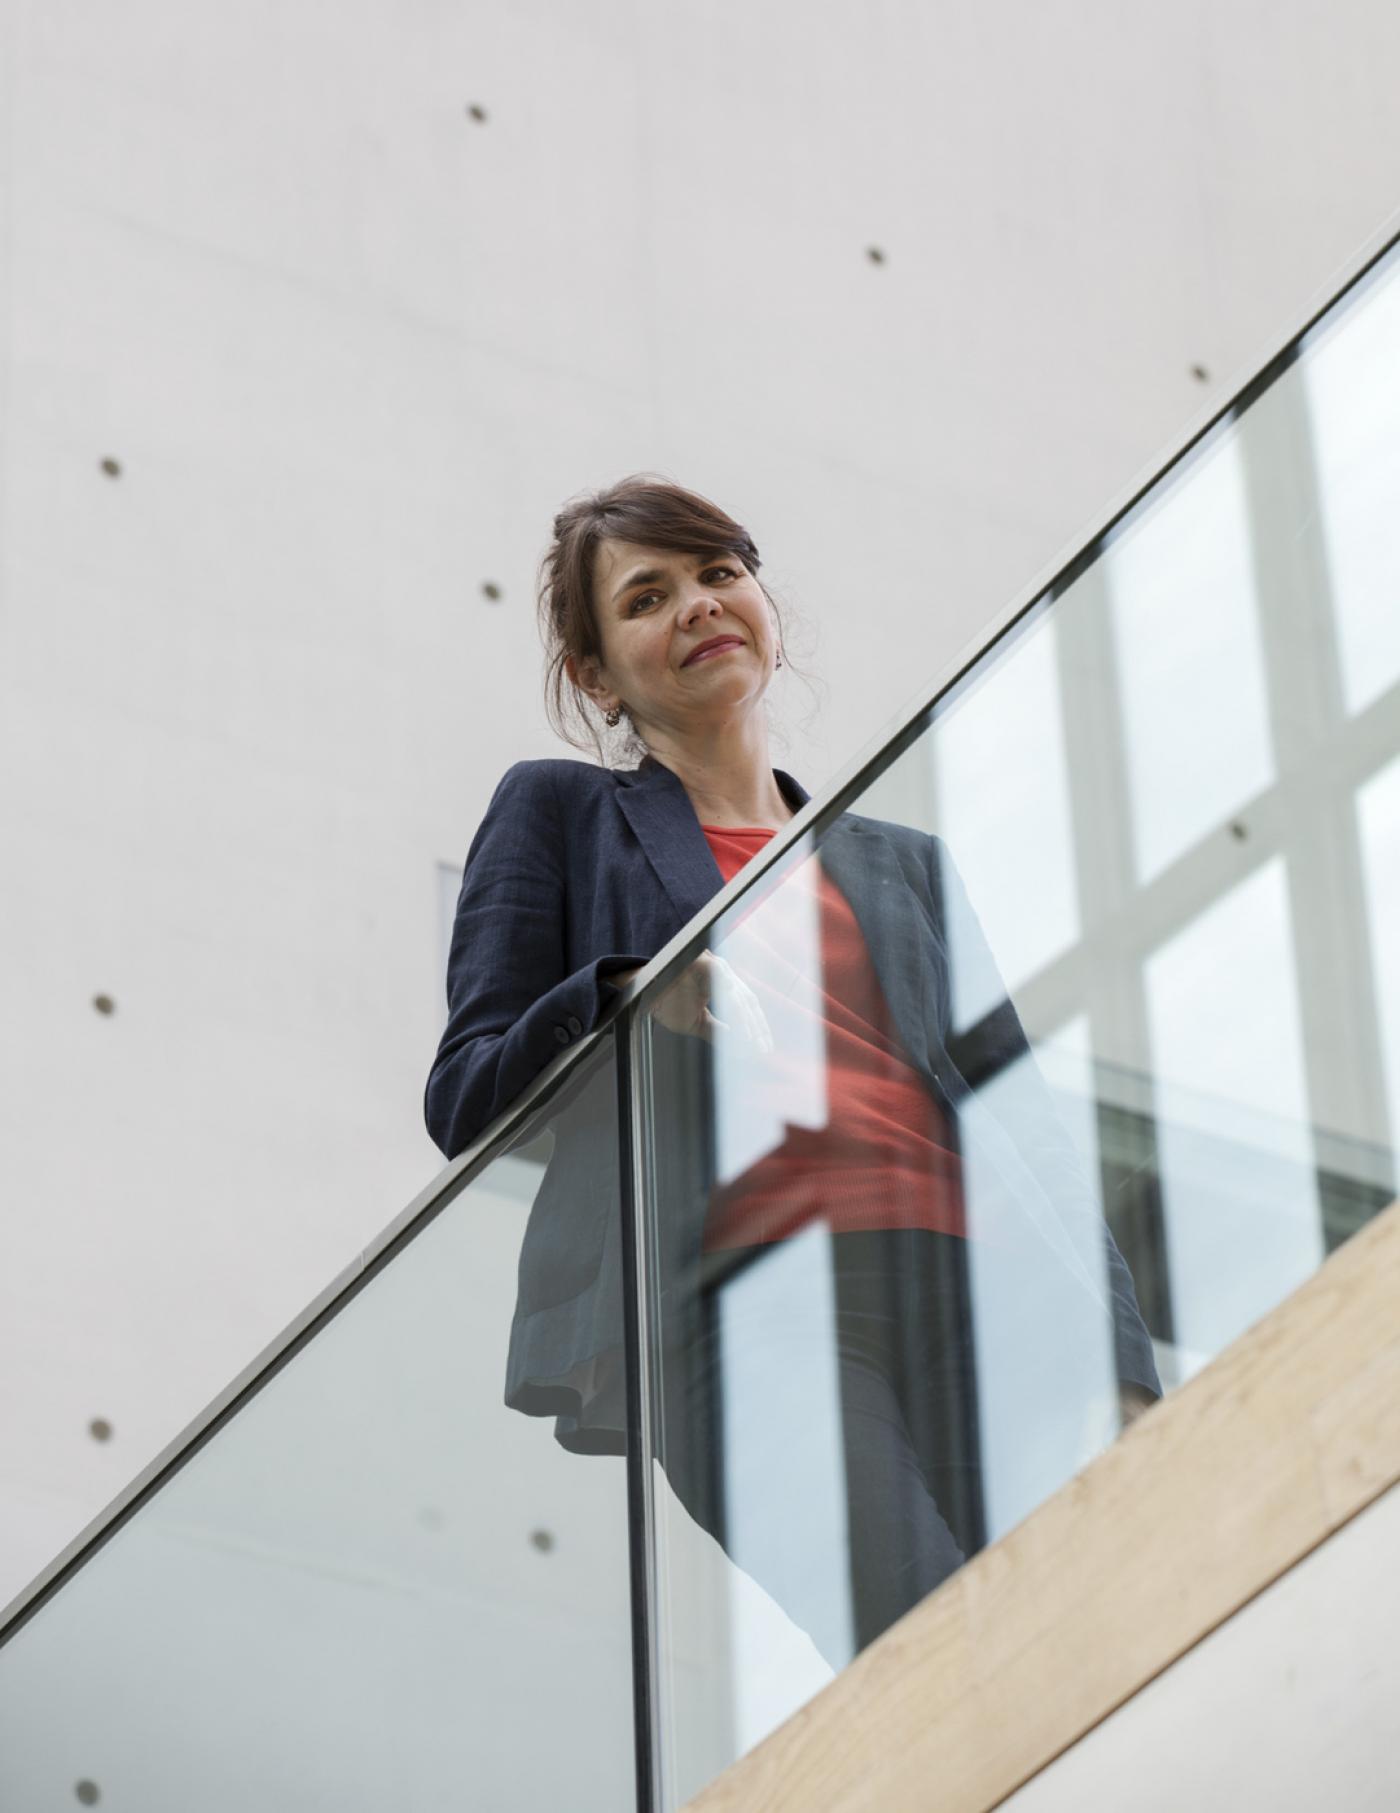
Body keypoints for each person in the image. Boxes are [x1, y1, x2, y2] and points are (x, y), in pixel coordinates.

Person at [425, 475, 1159, 1673]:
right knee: (930, 1653)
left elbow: (1025, 1133)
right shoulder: (560, 811)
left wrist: (1118, 1365)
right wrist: (617, 998)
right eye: (647, 595)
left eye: (718, 573)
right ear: (600, 675)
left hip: (990, 1298)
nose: (699, 605)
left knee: (1092, 1647)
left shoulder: (900, 861)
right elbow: (466, 1094)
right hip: (745, 1307)